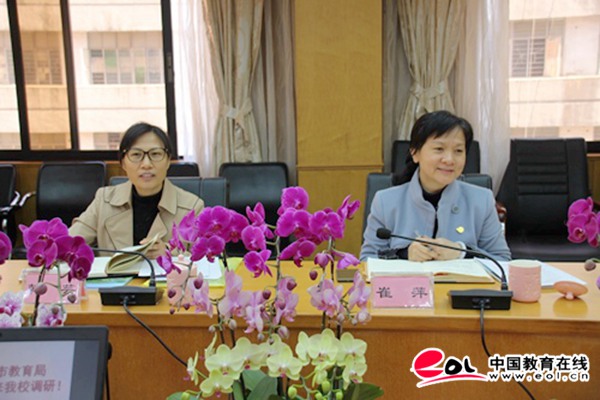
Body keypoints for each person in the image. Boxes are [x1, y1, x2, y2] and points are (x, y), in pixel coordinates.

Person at [360, 110, 511, 262]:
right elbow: (368, 259)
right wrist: (404, 253)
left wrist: (461, 252)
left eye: (458, 151)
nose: (449, 159)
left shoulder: (482, 200)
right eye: (439, 149)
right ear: (415, 153)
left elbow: (502, 260)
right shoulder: (385, 201)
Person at [69, 122, 204, 259]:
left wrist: (170, 253)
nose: (146, 164)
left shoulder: (192, 207)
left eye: (155, 154)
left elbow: (205, 260)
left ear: (168, 161)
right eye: (136, 154)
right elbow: (68, 245)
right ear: (123, 163)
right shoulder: (104, 200)